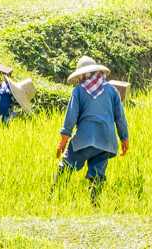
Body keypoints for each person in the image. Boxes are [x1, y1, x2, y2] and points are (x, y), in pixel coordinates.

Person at [55, 56, 129, 200]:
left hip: (84, 139)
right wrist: (124, 139)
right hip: (106, 142)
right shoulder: (112, 90)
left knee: (66, 166)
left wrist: (64, 139)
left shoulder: (79, 90)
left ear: (83, 74)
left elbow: (71, 116)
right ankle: (95, 204)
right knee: (97, 173)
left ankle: (55, 197)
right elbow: (120, 117)